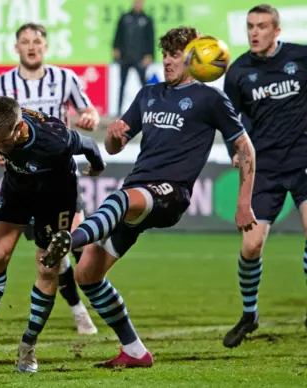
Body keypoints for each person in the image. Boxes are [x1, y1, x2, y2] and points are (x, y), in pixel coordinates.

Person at [40, 26, 257, 368]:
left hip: (171, 193)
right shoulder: (148, 94)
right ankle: (135, 351)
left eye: (176, 55)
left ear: (194, 58)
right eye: (166, 53)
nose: (169, 61)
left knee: (121, 199)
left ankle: (69, 239)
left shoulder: (210, 98)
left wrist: (244, 201)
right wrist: (113, 137)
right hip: (139, 189)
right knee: (87, 275)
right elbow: (116, 143)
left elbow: (245, 148)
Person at [0, 96, 106, 373]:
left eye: (3, 141)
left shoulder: (55, 140)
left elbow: (90, 145)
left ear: (19, 128)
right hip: (17, 189)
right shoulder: (4, 123)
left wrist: (97, 167)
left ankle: (28, 346)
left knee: (47, 268)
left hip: (56, 198)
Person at [0, 22, 101, 335]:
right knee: (46, 255)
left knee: (73, 242)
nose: (32, 46)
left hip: (61, 179)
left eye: (37, 40)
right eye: (25, 41)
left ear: (45, 46)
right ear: (17, 48)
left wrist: (90, 117)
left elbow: (88, 109)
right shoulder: (0, 84)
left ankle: (89, 299)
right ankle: (78, 310)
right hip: (22, 182)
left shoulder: (65, 78)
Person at [221, 4, 307, 347]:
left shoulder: (301, 59)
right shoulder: (239, 71)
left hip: (303, 160)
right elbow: (230, 124)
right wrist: (234, 152)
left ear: (277, 31)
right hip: (264, 168)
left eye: (261, 26)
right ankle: (249, 314)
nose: (254, 32)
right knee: (251, 246)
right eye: (250, 26)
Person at [112, 0, 155, 116]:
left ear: (143, 3)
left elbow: (151, 39)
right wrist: (115, 48)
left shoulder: (147, 19)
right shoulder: (124, 18)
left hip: (140, 58)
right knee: (122, 84)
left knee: (144, 85)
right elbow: (118, 35)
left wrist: (149, 55)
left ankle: (149, 109)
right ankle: (118, 111)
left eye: (140, 2)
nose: (138, 4)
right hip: (125, 57)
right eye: (136, 1)